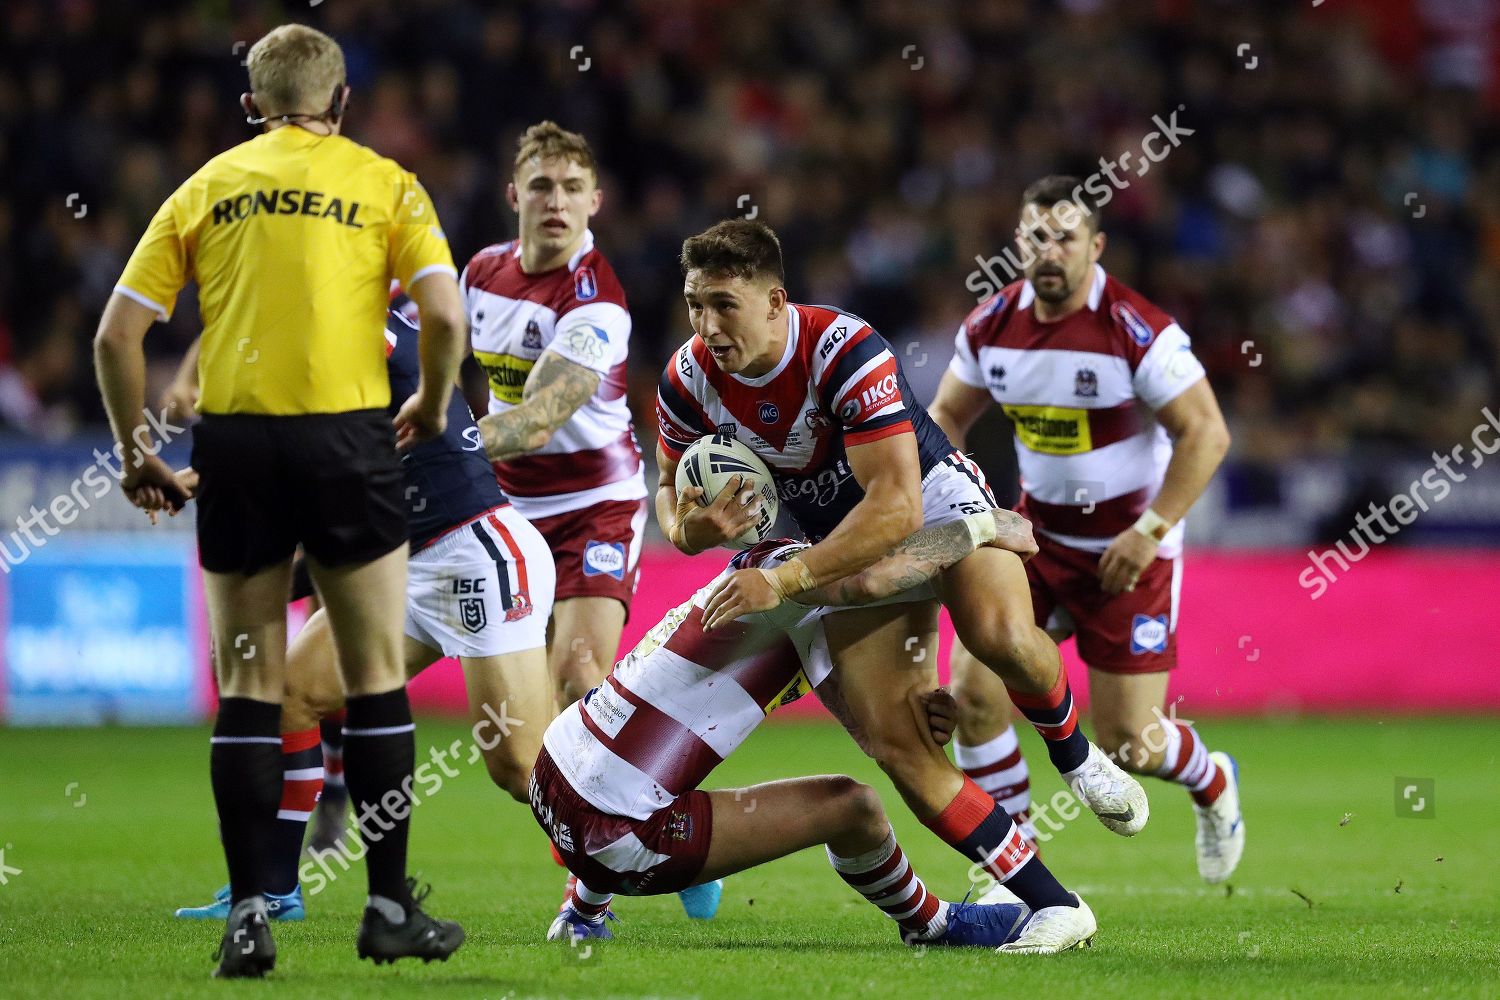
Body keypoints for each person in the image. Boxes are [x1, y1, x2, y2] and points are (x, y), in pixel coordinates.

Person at [653, 220, 1146, 954]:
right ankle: (1056, 904)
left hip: (934, 500)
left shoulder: (841, 351)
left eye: (724, 304)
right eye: (695, 304)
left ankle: (1073, 751)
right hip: (838, 542)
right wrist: (693, 531)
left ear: (775, 301)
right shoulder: (689, 378)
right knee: (899, 742)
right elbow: (669, 494)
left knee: (1000, 636)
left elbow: (896, 508)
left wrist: (783, 580)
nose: (706, 325)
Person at [93, 25, 466, 977]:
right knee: (376, 676)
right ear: (341, 102)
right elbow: (446, 314)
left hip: (239, 445)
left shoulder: (205, 186)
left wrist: (140, 453)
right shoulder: (386, 181)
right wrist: (426, 396)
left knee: (250, 687)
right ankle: (387, 910)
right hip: (347, 438)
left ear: (250, 103)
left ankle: (251, 916)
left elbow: (114, 337)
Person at [534, 510, 1091, 953]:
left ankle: (581, 914)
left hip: (553, 767)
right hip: (618, 831)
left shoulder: (763, 571)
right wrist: (986, 526)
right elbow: (884, 570)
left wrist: (905, 722)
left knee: (640, 770)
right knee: (854, 808)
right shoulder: (802, 582)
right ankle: (933, 924)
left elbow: (862, 724)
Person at [168, 303, 555, 919]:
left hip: (474, 549)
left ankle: (643, 833)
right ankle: (274, 887)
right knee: (294, 692)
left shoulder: (349, 334)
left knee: (518, 765)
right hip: (400, 560)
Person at [927, 175, 1243, 884]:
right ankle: (1012, 869)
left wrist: (1150, 530)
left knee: (1131, 745)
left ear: (1094, 247)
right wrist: (968, 506)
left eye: (1065, 237)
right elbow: (945, 419)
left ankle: (1213, 778)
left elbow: (1207, 434)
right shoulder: (989, 327)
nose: (1050, 251)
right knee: (976, 694)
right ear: (1018, 243)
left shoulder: (1137, 330)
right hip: (1040, 542)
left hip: (1132, 551)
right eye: (1036, 236)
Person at [464, 122, 647, 708]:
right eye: (541, 185)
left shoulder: (596, 303)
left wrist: (433, 448)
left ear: (595, 201)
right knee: (521, 714)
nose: (557, 201)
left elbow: (536, 421)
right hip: (506, 507)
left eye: (573, 187)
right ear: (513, 194)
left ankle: (622, 798)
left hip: (595, 506)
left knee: (576, 674)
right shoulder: (481, 274)